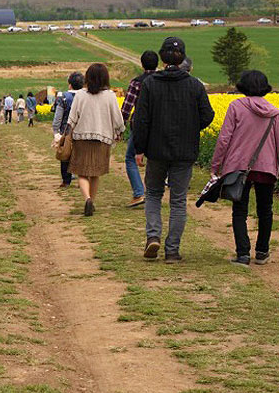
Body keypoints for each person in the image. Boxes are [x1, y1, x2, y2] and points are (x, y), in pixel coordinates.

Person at [133, 37, 215, 262]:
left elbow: (140, 120)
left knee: (152, 194)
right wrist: (190, 127)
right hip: (184, 151)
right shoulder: (194, 85)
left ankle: (153, 237)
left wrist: (139, 149)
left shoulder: (150, 84)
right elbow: (208, 115)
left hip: (156, 150)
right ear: (182, 59)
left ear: (162, 57)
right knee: (178, 200)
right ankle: (172, 250)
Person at [210, 70, 279, 266]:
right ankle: (262, 252)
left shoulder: (236, 107)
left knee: (239, 210)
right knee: (265, 210)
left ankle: (243, 254)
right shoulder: (275, 112)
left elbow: (224, 139)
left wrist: (216, 166)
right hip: (266, 167)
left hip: (239, 167)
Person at [66, 63, 125, 216]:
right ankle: (92, 200)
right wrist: (120, 132)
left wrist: (66, 135)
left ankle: (87, 199)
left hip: (81, 138)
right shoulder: (111, 96)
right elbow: (118, 119)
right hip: (102, 139)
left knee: (82, 172)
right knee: (95, 173)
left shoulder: (80, 95)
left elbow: (72, 118)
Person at [120, 50, 159, 208]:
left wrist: (120, 126)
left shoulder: (137, 82)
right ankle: (153, 194)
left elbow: (126, 108)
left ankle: (138, 193)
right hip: (160, 125)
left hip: (140, 125)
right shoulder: (161, 81)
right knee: (156, 160)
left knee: (130, 158)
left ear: (142, 64)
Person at [52, 72, 85, 187]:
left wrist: (56, 131)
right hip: (83, 130)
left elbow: (58, 116)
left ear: (69, 84)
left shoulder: (63, 97)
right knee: (81, 154)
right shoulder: (86, 96)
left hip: (67, 130)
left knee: (65, 154)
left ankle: (66, 180)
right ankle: (82, 180)